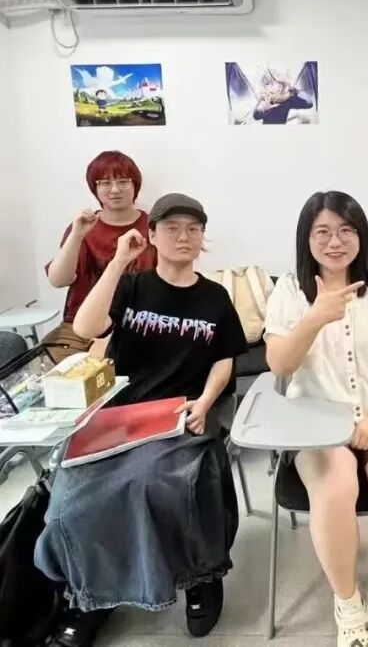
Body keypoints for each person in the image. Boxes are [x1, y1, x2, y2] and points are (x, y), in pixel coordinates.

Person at [35, 193, 248, 647]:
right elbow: (86, 328)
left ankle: (200, 577)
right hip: (120, 416)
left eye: (193, 229)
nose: (183, 236)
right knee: (72, 499)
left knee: (154, 483)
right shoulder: (131, 286)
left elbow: (225, 359)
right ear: (151, 235)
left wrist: (205, 402)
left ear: (203, 239)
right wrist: (118, 262)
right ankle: (92, 595)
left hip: (182, 415)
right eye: (171, 228)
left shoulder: (215, 297)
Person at [265, 191, 368, 647]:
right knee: (336, 489)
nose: (335, 242)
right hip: (317, 415)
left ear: (361, 236)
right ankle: (350, 606)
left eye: (346, 230)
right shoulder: (289, 291)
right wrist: (314, 318)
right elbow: (279, 365)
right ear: (306, 238)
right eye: (322, 232)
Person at [42, 151, 156, 363]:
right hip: (80, 326)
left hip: (137, 324)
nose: (115, 190)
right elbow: (58, 280)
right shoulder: (83, 227)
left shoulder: (154, 228)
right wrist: (77, 235)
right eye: (104, 183)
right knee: (63, 371)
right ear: (94, 188)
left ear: (135, 185)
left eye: (123, 181)